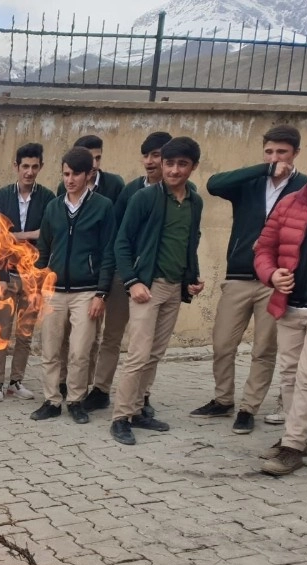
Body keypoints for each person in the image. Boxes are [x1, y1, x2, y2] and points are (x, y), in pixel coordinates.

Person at [190, 125, 307, 435]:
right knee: (222, 342)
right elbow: (215, 184)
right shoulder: (251, 181)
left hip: (276, 281)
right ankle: (223, 399)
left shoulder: (304, 187)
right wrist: (265, 168)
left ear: (296, 153)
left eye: (281, 152)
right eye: (269, 151)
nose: (275, 157)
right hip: (239, 275)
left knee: (264, 349)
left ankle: (248, 408)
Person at [110, 137, 205, 445]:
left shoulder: (195, 201)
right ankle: (120, 417)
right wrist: (132, 282)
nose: (174, 170)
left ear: (193, 167)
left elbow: (189, 242)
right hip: (147, 287)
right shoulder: (145, 198)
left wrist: (193, 277)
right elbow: (121, 243)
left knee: (155, 354)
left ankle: (138, 410)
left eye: (181, 164)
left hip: (175, 288)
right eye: (169, 163)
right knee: (137, 354)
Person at [83, 131, 173, 413]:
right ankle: (100, 389)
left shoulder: (183, 193)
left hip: (158, 280)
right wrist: (110, 278)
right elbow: (116, 238)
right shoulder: (131, 190)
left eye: (155, 155)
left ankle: (141, 396)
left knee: (147, 345)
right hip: (125, 276)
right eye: (146, 155)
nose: (149, 161)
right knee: (113, 336)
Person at [30, 147, 115, 425]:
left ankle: (76, 400)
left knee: (80, 351)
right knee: (51, 349)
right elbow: (43, 249)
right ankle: (52, 400)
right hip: (54, 291)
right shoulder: (53, 207)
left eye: (76, 174)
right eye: (66, 173)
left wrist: (101, 293)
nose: (70, 179)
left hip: (87, 292)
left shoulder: (102, 206)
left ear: (89, 174)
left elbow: (108, 252)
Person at [253, 139, 307, 475]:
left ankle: (292, 446)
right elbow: (263, 249)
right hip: (290, 306)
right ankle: (299, 438)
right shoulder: (292, 202)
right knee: (291, 376)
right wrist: (272, 275)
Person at [0, 142, 55, 401]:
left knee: (25, 335)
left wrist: (16, 235)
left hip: (33, 277)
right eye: (25, 166)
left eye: (34, 167)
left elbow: (47, 234)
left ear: (41, 167)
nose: (29, 171)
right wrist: (1, 276)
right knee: (0, 333)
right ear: (16, 166)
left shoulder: (48, 198)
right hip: (6, 276)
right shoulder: (2, 196)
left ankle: (16, 382)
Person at [58, 134, 126, 203]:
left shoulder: (114, 184)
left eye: (98, 158)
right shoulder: (65, 187)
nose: (94, 165)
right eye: (89, 159)